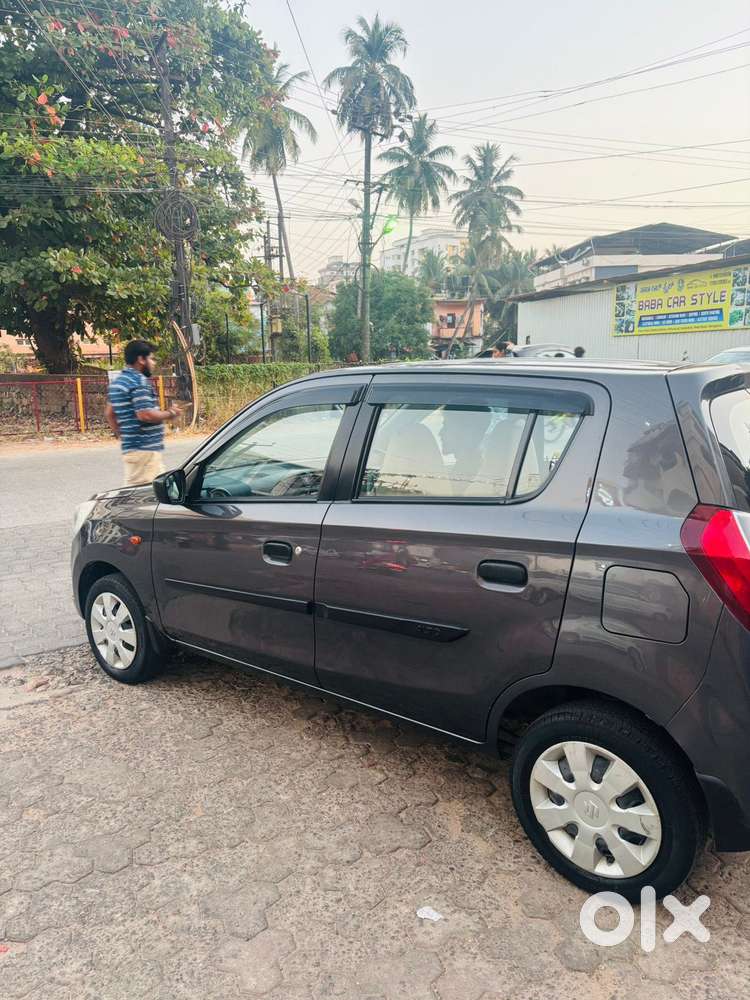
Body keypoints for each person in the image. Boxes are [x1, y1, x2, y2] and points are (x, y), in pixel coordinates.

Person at [105, 339, 179, 486]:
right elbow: (145, 414)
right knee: (141, 498)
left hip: (138, 451)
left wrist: (123, 435)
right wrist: (170, 413)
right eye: (151, 358)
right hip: (145, 452)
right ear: (141, 359)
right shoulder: (138, 381)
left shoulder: (119, 381)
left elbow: (109, 413)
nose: (154, 363)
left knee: (162, 492)